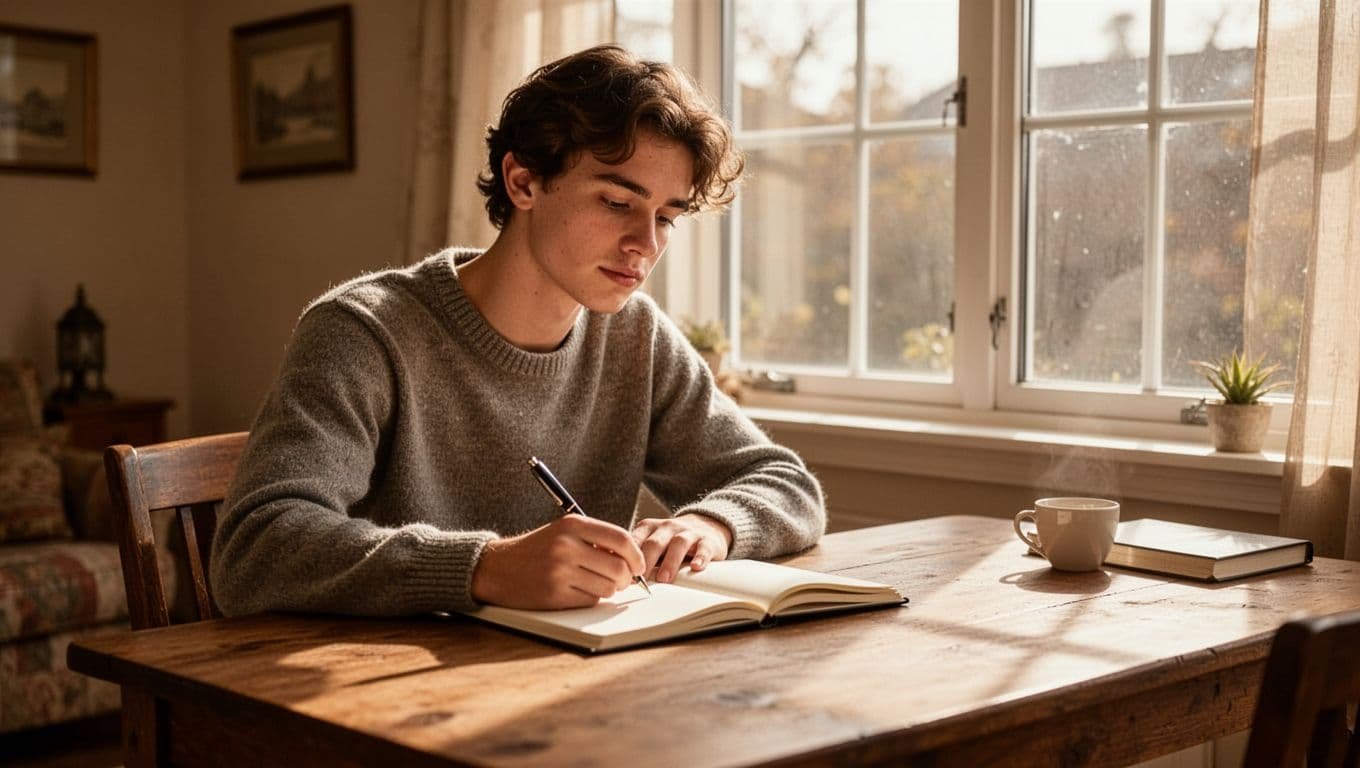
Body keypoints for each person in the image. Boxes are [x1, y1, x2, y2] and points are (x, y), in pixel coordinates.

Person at [210, 44, 826, 616]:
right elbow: (254, 547)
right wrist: (484, 568)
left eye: (667, 217)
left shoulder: (637, 336)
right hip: (375, 699)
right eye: (617, 202)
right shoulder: (364, 331)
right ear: (523, 182)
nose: (645, 245)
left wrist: (712, 525)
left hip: (571, 691)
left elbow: (787, 484)